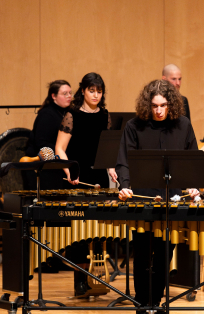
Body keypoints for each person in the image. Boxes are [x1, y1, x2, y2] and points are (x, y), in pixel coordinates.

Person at [116, 79, 199, 312]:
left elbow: (192, 159)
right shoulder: (134, 126)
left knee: (164, 254)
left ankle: (156, 302)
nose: (159, 111)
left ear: (171, 104)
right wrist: (125, 185)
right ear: (148, 105)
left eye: (163, 105)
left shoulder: (183, 125)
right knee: (142, 254)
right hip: (141, 200)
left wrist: (193, 186)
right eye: (154, 106)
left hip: (171, 200)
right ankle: (142, 304)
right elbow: (124, 162)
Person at [55, 72, 117, 295]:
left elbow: (107, 149)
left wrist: (111, 168)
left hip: (100, 178)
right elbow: (59, 148)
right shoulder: (72, 115)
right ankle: (80, 280)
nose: (96, 95)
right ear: (83, 91)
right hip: (78, 178)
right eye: (92, 90)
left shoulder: (105, 115)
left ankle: (98, 278)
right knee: (81, 234)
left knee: (98, 232)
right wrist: (70, 169)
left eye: (99, 91)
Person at [24, 80, 72, 190]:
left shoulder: (66, 113)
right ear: (53, 96)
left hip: (56, 165)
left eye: (70, 93)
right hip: (43, 169)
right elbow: (41, 143)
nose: (69, 96)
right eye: (65, 93)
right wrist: (61, 152)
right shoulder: (47, 115)